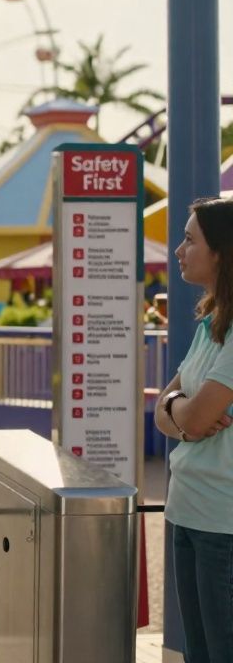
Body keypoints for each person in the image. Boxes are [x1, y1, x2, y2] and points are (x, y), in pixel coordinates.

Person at [154, 197, 233, 662]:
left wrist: (181, 412)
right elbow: (171, 409)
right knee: (199, 653)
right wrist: (183, 412)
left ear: (221, 251)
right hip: (187, 510)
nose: (179, 250)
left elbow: (191, 414)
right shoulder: (210, 326)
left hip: (222, 523)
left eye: (190, 239)